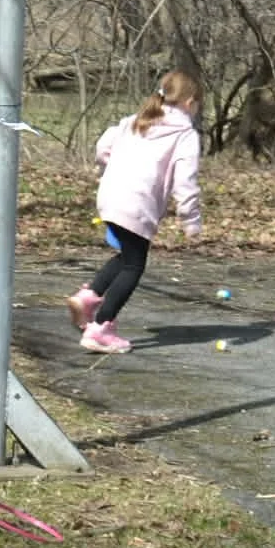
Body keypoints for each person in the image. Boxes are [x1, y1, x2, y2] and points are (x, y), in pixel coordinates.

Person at [67, 70, 203, 355]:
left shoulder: (135, 121)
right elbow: (185, 180)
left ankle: (89, 296)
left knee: (127, 256)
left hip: (110, 195)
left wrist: (111, 167)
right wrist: (190, 218)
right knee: (134, 266)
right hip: (137, 202)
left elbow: (103, 145)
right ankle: (101, 328)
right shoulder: (185, 134)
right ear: (190, 103)